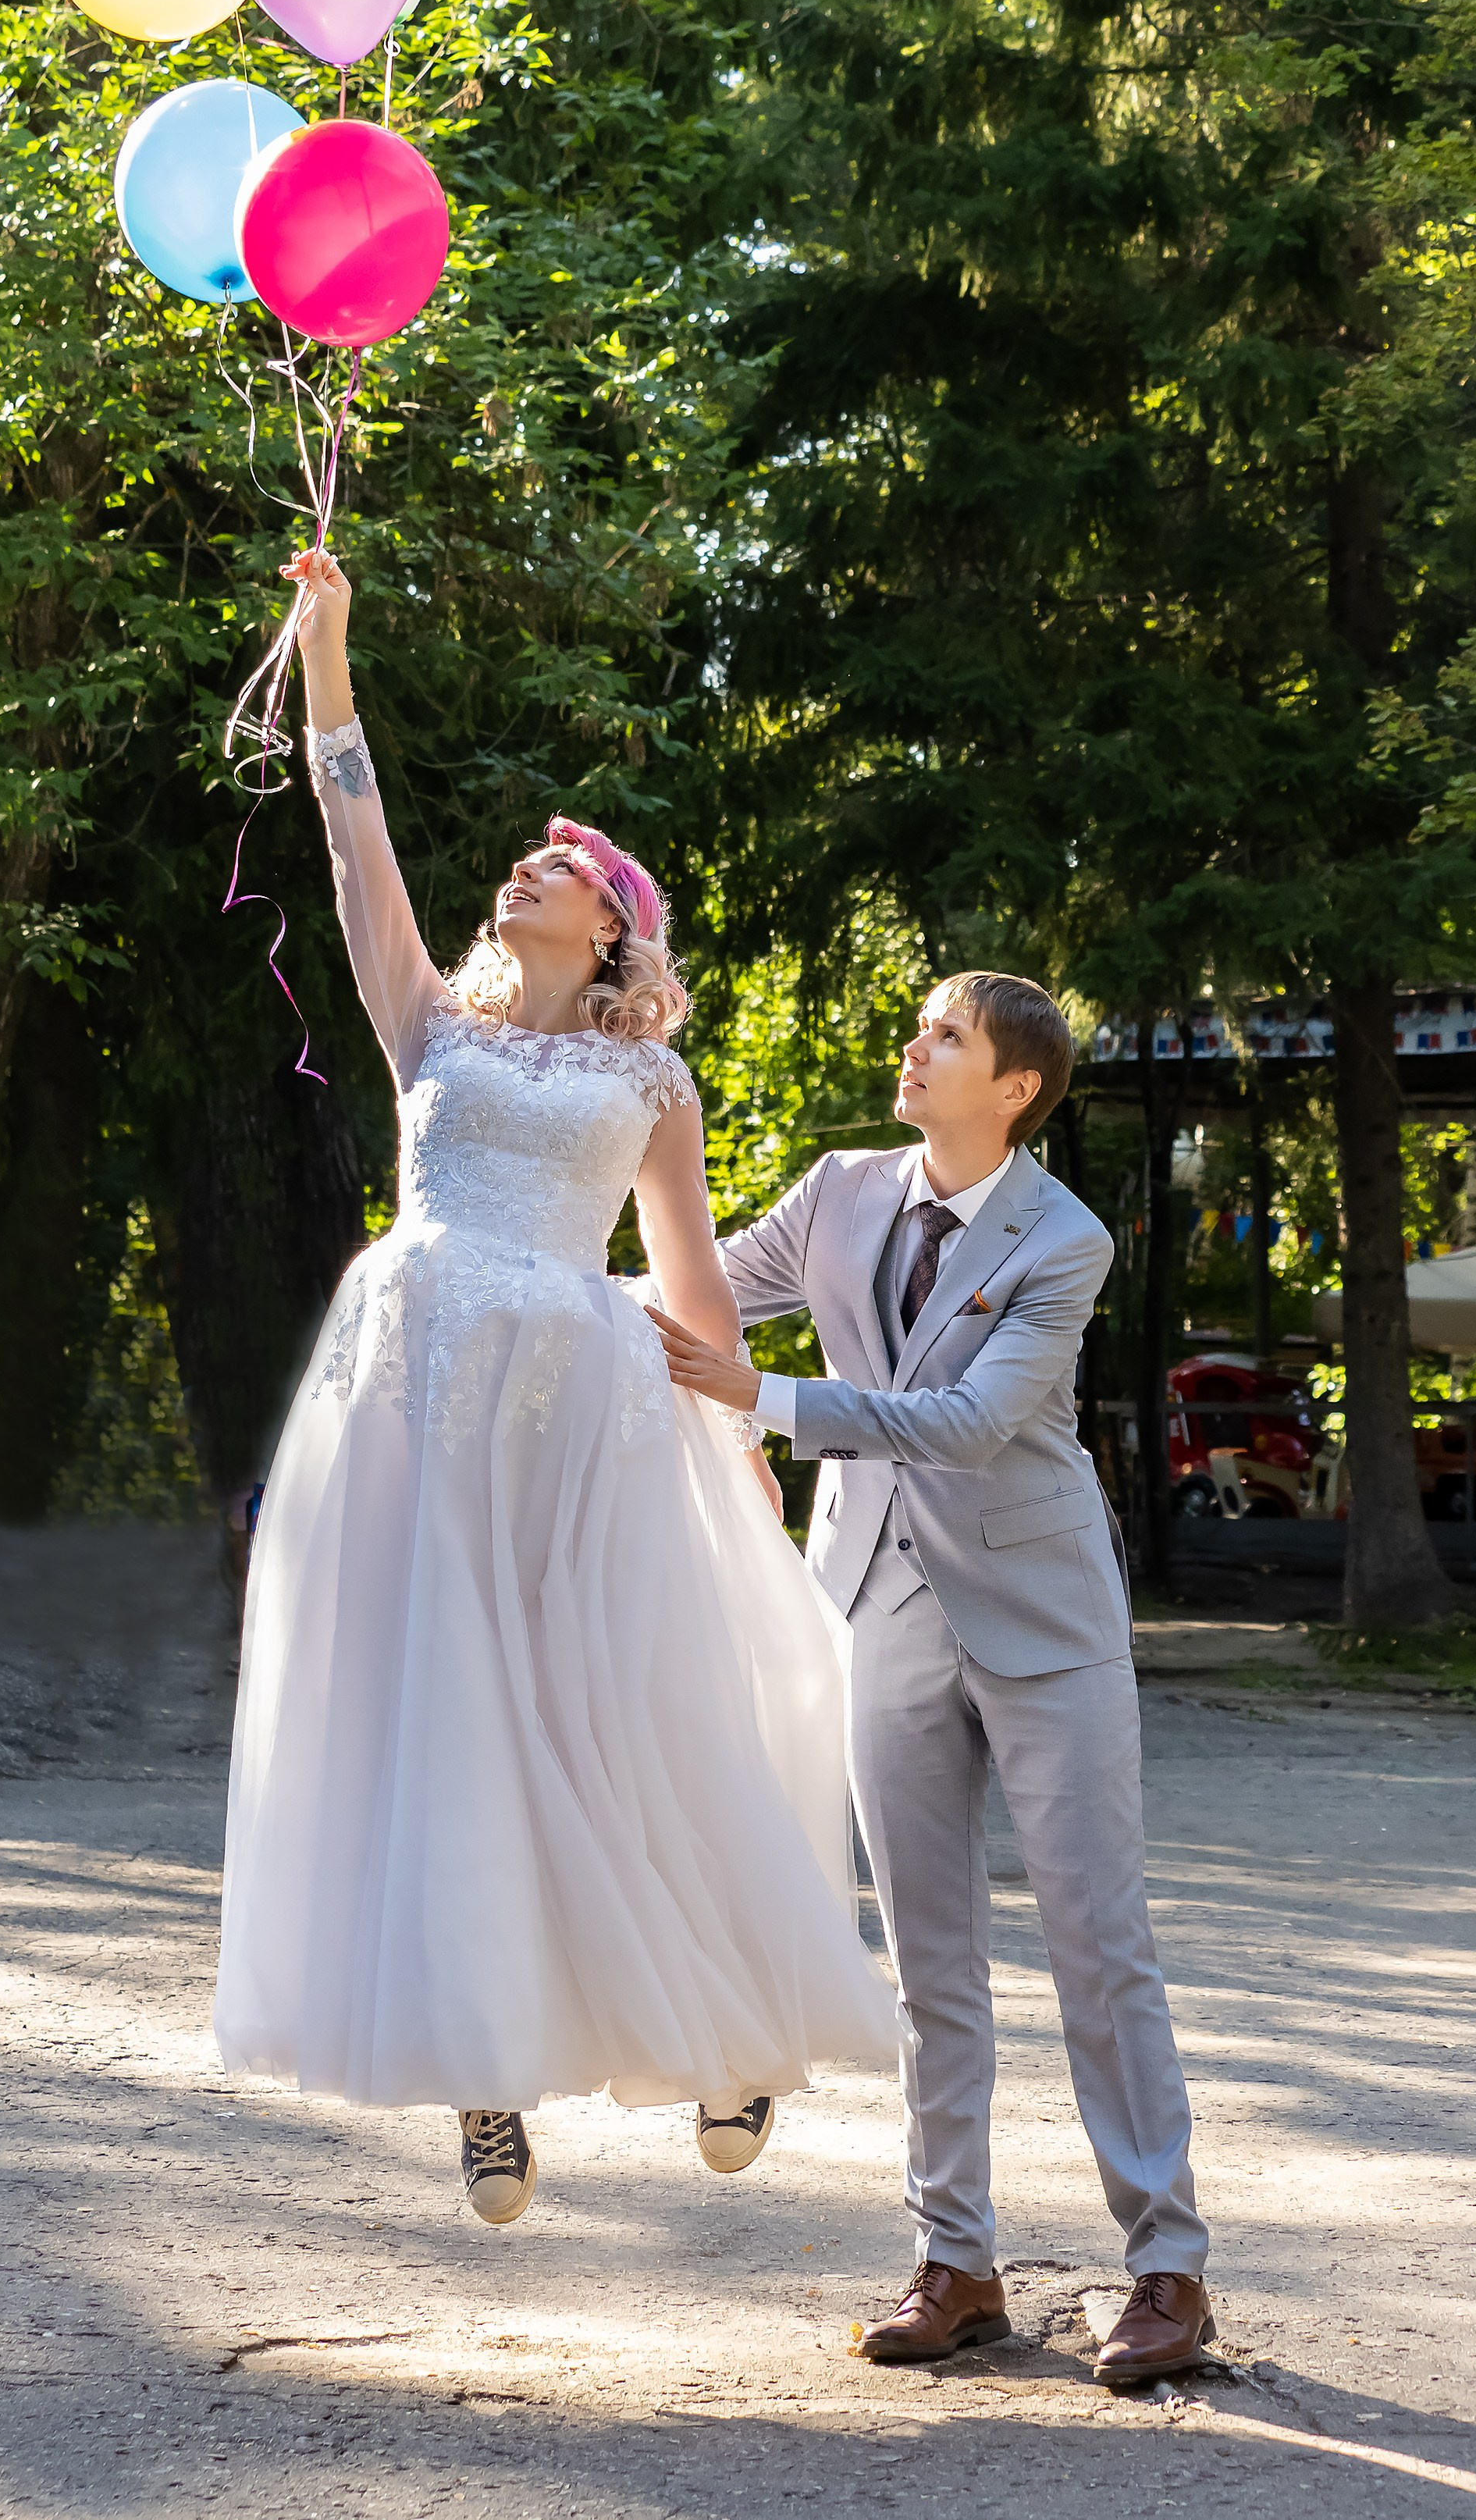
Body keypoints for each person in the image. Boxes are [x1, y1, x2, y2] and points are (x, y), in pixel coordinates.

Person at [213, 550, 894, 2226]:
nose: (522, 873)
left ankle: (728, 2033)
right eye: (522, 864)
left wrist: (733, 1445)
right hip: (415, 1388)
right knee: (440, 1722)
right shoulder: (427, 1025)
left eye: (557, 869)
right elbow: (346, 831)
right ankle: (484, 2086)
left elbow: (685, 1272)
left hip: (578, 1405)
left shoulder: (648, 1075)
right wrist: (332, 648)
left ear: (611, 923)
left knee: (613, 1726)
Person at [650, 973, 1211, 2386]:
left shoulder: (1061, 1237)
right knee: (926, 1959)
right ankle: (954, 2260)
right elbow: (695, 1285)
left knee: (1097, 1943)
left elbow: (964, 1423)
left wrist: (757, 1398)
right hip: (877, 1602)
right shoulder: (839, 1188)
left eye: (945, 1035)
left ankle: (1165, 2267)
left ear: (1012, 1087)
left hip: (1042, 1611)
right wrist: (517, 1292)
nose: (913, 1044)